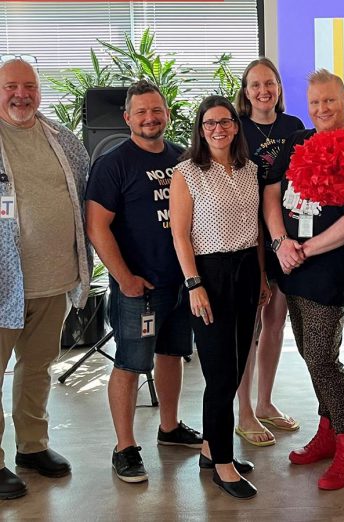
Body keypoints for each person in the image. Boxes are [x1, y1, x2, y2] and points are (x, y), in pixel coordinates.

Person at [263, 69, 344, 490]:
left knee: (320, 358)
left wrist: (305, 250)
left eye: (329, 101)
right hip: (291, 267)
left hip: (330, 270)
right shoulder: (296, 141)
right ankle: (329, 432)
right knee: (315, 354)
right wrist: (279, 243)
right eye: (314, 103)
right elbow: (271, 192)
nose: (322, 109)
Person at [86, 80, 203, 484]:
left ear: (167, 113)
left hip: (181, 284)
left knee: (172, 355)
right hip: (141, 287)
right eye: (141, 112)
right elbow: (97, 227)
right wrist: (124, 279)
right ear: (127, 118)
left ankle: (169, 428)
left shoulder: (183, 158)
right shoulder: (114, 163)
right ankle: (124, 448)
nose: (150, 118)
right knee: (130, 363)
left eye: (156, 110)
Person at [170, 95, 269, 499]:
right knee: (220, 373)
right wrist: (194, 285)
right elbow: (179, 234)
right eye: (210, 123)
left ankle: (212, 448)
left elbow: (258, 229)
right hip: (209, 275)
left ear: (235, 125)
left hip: (247, 269)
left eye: (225, 121)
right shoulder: (187, 172)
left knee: (240, 361)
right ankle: (224, 467)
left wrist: (262, 278)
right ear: (200, 128)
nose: (218, 129)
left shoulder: (249, 169)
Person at [0, 57, 91, 499]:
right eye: (11, 86)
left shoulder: (61, 137)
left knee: (36, 369)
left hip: (53, 278)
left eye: (30, 86)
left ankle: (32, 448)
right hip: (2, 286)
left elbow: (86, 191)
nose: (22, 94)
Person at [234, 57, 304, 446]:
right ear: (246, 93)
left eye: (270, 83)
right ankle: (243, 410)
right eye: (255, 85)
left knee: (275, 323)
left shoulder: (293, 127)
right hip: (246, 238)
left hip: (283, 236)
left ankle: (264, 403)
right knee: (249, 328)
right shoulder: (236, 128)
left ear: (279, 88)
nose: (263, 91)